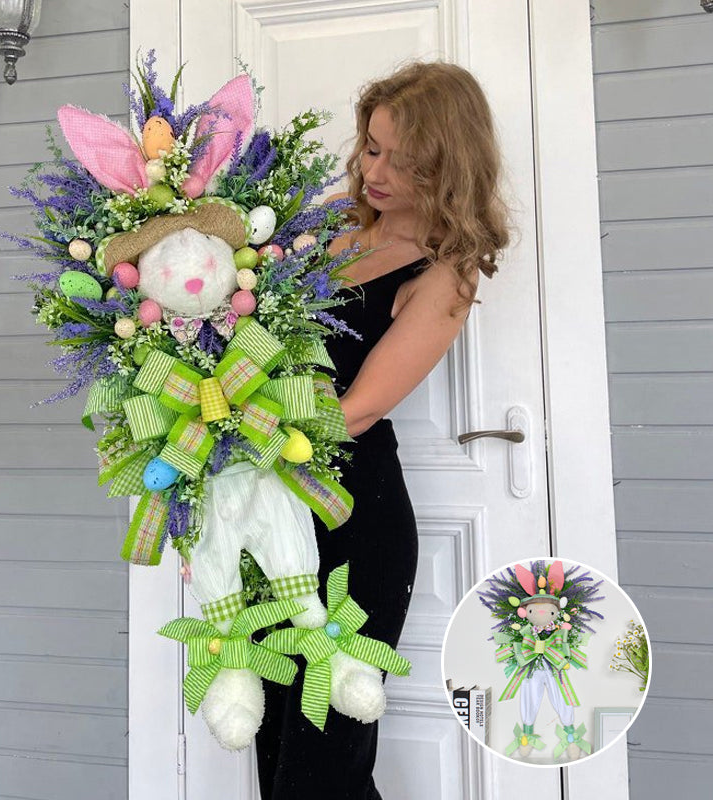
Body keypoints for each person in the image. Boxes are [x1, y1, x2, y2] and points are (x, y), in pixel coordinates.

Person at [255, 60, 512, 799]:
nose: (377, 172)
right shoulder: (335, 220)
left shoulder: (444, 274)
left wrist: (241, 441)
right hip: (272, 511)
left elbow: (359, 407)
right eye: (372, 147)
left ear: (448, 165)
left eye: (405, 160)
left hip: (350, 518)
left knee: (326, 755)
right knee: (275, 736)